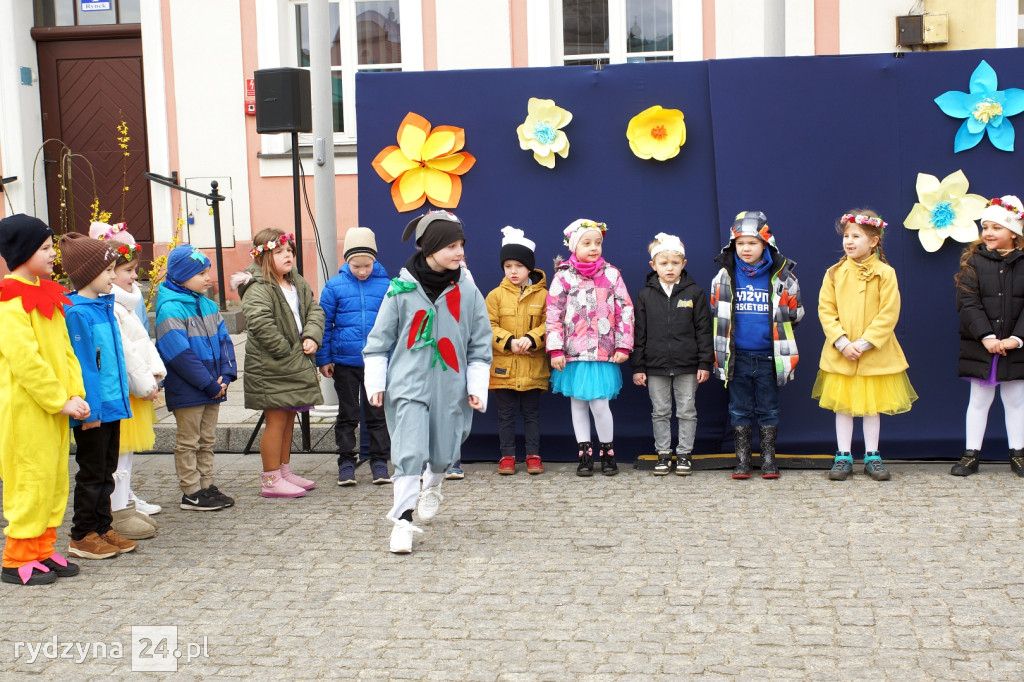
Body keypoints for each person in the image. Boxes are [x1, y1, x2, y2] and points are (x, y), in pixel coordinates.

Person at [363, 210, 491, 554]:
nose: (460, 252)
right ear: (430, 247)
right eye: (451, 246)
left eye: (461, 244)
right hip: (408, 385)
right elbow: (378, 341)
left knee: (444, 450)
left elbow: (480, 341)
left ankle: (433, 483)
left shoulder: (468, 291)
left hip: (451, 386)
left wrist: (476, 385)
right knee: (409, 451)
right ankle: (402, 521)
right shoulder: (400, 290)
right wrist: (376, 381)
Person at [0, 215, 89, 585]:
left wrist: (75, 393)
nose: (54, 254)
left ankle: (42, 547)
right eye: (45, 248)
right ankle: (16, 557)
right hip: (26, 409)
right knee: (30, 478)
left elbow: (66, 352)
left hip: (53, 407)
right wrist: (57, 399)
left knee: (53, 479)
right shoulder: (9, 302)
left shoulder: (48, 293)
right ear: (23, 252)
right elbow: (26, 361)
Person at [813, 210, 917, 481]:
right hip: (842, 353)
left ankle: (872, 455)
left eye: (856, 236)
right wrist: (842, 342)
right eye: (846, 236)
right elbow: (826, 310)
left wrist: (864, 343)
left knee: (872, 406)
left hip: (874, 353)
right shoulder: (834, 273)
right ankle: (843, 455)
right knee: (843, 406)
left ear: (873, 241)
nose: (849, 241)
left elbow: (889, 312)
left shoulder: (885, 273)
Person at [710, 211, 803, 480]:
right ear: (733, 245)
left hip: (769, 357)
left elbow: (796, 314)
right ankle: (742, 460)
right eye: (740, 243)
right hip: (736, 356)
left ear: (766, 244)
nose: (746, 248)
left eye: (752, 243)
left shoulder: (783, 277)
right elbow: (716, 311)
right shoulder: (723, 277)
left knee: (768, 408)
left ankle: (768, 459)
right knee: (738, 408)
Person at [233, 229, 324, 498]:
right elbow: (261, 324)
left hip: (294, 361)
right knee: (276, 421)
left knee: (288, 419)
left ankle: (284, 470)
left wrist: (312, 336)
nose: (288, 256)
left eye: (290, 251)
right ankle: (271, 479)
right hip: (273, 365)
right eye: (279, 252)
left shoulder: (296, 282)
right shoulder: (258, 287)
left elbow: (314, 309)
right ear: (263, 257)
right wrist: (287, 351)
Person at [61, 233, 136, 559]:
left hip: (111, 404)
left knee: (106, 471)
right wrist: (89, 411)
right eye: (107, 270)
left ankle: (103, 527)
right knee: (92, 473)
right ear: (88, 273)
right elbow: (83, 366)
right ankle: (82, 534)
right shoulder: (78, 313)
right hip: (93, 409)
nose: (112, 276)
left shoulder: (103, 306)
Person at [90, 221, 164, 540]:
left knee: (126, 453)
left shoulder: (126, 304)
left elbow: (142, 343)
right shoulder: (114, 308)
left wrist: (153, 372)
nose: (135, 277)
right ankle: (118, 509)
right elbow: (126, 351)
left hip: (135, 387)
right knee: (118, 453)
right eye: (128, 270)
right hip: (127, 389)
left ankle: (126, 502)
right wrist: (146, 382)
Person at [546, 218, 634, 477]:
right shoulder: (563, 277)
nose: (594, 247)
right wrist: (556, 349)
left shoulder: (611, 274)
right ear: (574, 246)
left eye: (597, 242)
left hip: (602, 353)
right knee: (578, 404)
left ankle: (607, 452)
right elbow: (553, 313)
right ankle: (584, 453)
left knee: (599, 404)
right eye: (587, 243)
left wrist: (623, 345)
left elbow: (625, 309)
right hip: (574, 353)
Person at [155, 245, 237, 510]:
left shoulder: (208, 305)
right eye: (201, 273)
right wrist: (208, 383)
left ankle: (207, 484)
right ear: (182, 276)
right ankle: (191, 491)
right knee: (189, 441)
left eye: (207, 272)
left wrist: (226, 375)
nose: (207, 278)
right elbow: (179, 354)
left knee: (207, 440)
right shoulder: (170, 309)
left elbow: (225, 342)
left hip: (214, 385)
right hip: (190, 388)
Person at [951, 196, 1024, 477]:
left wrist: (1016, 339)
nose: (989, 233)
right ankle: (971, 455)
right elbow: (967, 303)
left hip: (1015, 348)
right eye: (985, 227)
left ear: (1014, 233)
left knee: (1016, 402)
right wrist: (987, 337)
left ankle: (1018, 454)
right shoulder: (974, 262)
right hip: (982, 347)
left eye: (997, 227)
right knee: (979, 401)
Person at [631, 233, 713, 476]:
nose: (669, 268)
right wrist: (638, 367)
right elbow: (639, 333)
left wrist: (704, 363)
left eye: (675, 263)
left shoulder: (694, 293)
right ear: (653, 265)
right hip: (655, 366)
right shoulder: (645, 295)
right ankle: (664, 454)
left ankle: (684, 453)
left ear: (683, 264)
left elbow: (704, 330)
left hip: (687, 365)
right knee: (660, 411)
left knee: (687, 410)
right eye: (664, 263)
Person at [317, 227, 392, 486]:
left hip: (376, 362)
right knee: (348, 414)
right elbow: (324, 325)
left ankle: (379, 462)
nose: (362, 271)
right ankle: (346, 463)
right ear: (347, 261)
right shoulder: (334, 287)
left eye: (367, 265)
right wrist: (324, 358)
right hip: (345, 362)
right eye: (356, 266)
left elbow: (395, 323)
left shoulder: (387, 285)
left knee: (377, 414)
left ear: (374, 260)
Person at [486, 226, 549, 475]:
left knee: (532, 414)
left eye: (519, 266)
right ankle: (507, 456)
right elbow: (487, 326)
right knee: (506, 415)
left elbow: (551, 324)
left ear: (529, 268)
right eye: (508, 266)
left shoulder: (544, 296)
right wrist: (509, 341)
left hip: (532, 367)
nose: (513, 271)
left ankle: (533, 455)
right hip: (504, 368)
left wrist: (532, 339)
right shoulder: (495, 296)